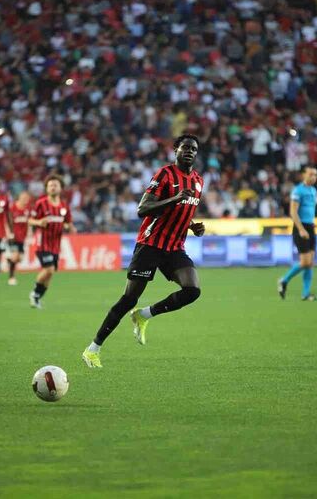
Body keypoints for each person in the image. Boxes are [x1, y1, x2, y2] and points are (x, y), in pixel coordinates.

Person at [82, 134, 205, 368]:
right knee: (129, 298)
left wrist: (193, 226)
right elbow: (143, 209)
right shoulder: (165, 174)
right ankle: (93, 348)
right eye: (185, 147)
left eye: (194, 149)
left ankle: (144, 315)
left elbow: (183, 211)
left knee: (192, 290)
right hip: (150, 244)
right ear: (176, 150)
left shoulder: (198, 181)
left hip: (174, 247)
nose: (189, 151)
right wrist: (175, 198)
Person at [27, 175, 77, 308]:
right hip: (43, 243)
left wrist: (71, 228)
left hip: (56, 245)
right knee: (49, 269)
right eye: (50, 185)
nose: (53, 187)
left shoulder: (64, 206)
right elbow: (30, 220)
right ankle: (34, 292)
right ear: (47, 188)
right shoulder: (41, 203)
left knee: (50, 273)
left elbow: (68, 222)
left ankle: (37, 297)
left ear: (60, 188)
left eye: (56, 185)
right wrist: (39, 221)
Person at [278, 165, 317, 301]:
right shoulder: (298, 190)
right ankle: (284, 280)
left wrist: (311, 224)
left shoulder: (313, 191)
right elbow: (293, 211)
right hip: (300, 228)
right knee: (305, 262)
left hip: (310, 227)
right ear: (304, 175)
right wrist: (301, 229)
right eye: (311, 174)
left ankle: (305, 294)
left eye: (315, 175)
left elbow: (310, 210)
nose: (313, 177)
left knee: (310, 262)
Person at [7, 191, 32, 285]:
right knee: (15, 256)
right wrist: (9, 233)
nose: (26, 200)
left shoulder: (28, 209)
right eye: (24, 198)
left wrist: (30, 232)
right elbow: (8, 221)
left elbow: (29, 222)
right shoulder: (13, 207)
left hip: (22, 237)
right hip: (13, 237)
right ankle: (11, 278)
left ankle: (9, 261)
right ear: (19, 198)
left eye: (27, 198)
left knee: (20, 259)